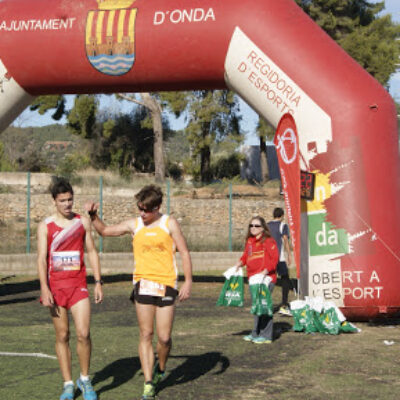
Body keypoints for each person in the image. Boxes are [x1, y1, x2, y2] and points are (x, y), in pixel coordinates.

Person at [85, 184, 192, 400]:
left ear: (157, 207)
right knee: (146, 334)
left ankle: (161, 368)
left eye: (146, 210)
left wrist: (188, 281)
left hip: (166, 284)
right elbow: (105, 231)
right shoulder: (135, 224)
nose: (142, 214)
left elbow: (184, 252)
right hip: (142, 284)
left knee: (164, 337)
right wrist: (94, 216)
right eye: (140, 209)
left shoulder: (169, 223)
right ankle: (149, 382)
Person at [37, 177, 103, 400]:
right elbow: (41, 259)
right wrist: (44, 288)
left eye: (70, 199)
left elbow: (92, 251)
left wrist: (98, 281)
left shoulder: (82, 222)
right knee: (63, 334)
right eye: (63, 200)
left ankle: (85, 380)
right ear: (54, 201)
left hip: (78, 286)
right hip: (55, 288)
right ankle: (67, 384)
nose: (67, 204)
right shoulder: (45, 226)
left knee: (84, 333)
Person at [235, 216, 278, 344]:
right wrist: (239, 263)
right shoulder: (250, 241)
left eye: (257, 226)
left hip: (266, 279)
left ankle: (266, 335)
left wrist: (266, 270)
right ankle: (255, 333)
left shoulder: (268, 241)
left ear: (263, 228)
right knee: (256, 306)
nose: (253, 228)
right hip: (253, 279)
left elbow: (274, 259)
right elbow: (246, 256)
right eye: (251, 225)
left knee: (264, 306)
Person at [267, 207, 293, 316]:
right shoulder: (283, 226)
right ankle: (284, 305)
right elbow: (285, 240)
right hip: (280, 258)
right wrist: (289, 254)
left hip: (268, 257)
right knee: (285, 280)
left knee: (268, 281)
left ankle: (266, 305)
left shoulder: (267, 226)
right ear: (282, 215)